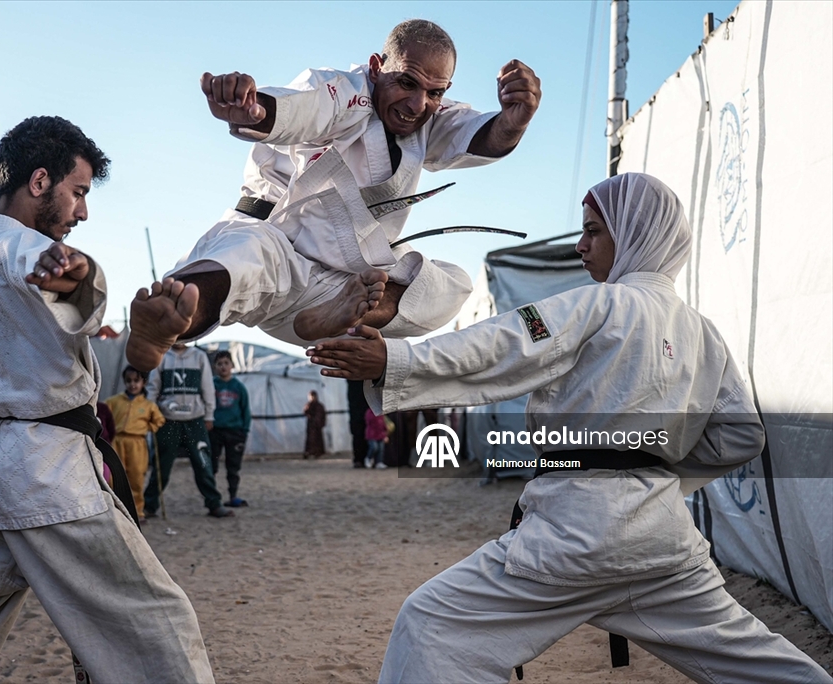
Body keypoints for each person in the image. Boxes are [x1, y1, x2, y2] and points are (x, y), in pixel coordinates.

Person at [307, 173, 831, 683]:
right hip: (663, 542)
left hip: (577, 535)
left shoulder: (598, 304)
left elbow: (506, 339)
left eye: (594, 231)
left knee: (431, 624)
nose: (581, 245)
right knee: (753, 659)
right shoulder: (703, 332)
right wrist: (654, 471)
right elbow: (741, 437)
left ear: (634, 234)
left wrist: (395, 362)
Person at [0, 116, 215, 683]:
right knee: (153, 621)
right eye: (78, 193)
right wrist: (73, 277)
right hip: (50, 473)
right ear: (39, 181)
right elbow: (40, 266)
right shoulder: (20, 249)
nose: (82, 212)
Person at [124, 19, 541, 369]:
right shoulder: (342, 92)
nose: (418, 104)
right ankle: (167, 323)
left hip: (340, 292)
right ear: (378, 67)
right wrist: (254, 110)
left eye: (435, 92)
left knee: (453, 285)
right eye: (407, 83)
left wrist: (515, 121)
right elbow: (300, 108)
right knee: (242, 254)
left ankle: (343, 314)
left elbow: (482, 136)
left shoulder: (429, 115)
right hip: (279, 252)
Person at [146, 342, 233, 518]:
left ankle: (214, 503)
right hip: (168, 420)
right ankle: (149, 505)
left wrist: (209, 415)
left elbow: (207, 388)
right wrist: (150, 412)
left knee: (203, 463)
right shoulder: (161, 355)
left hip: (195, 421)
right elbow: (153, 388)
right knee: (161, 465)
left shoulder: (199, 356)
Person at [105, 366, 165, 521]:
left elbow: (159, 420)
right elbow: (103, 414)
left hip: (138, 443)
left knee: (136, 476)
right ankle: (116, 510)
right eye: (129, 381)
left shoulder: (148, 405)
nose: (133, 384)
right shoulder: (113, 401)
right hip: (117, 442)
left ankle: (138, 511)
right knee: (114, 476)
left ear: (143, 383)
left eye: (136, 381)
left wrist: (148, 427)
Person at [209, 350, 252, 507]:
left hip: (235, 432)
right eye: (219, 364)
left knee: (233, 467)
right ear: (215, 367)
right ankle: (213, 499)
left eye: (226, 363)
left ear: (232, 365)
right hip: (215, 430)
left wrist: (244, 431)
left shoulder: (239, 387)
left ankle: (233, 496)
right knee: (211, 466)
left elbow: (245, 410)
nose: (223, 367)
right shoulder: (211, 385)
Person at [303, 390, 326, 459]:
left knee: (317, 439)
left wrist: (321, 423)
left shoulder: (319, 406)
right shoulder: (309, 405)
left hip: (317, 425)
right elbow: (305, 412)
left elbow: (322, 415)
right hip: (311, 425)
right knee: (310, 439)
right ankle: (309, 452)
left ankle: (317, 452)